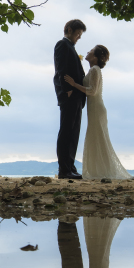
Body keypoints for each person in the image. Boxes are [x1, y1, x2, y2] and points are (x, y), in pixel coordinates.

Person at [64, 45, 131, 181]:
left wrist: (74, 84)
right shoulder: (93, 70)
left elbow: (92, 91)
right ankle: (98, 169)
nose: (87, 52)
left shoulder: (95, 70)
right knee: (96, 138)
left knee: (97, 137)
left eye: (91, 51)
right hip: (94, 108)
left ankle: (100, 171)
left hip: (96, 109)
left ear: (95, 57)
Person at [53, 20, 87, 180]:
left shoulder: (71, 48)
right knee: (66, 132)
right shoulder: (62, 45)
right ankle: (64, 170)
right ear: (69, 30)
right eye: (78, 34)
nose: (79, 37)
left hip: (77, 97)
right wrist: (67, 91)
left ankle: (70, 167)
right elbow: (61, 70)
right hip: (69, 95)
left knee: (74, 133)